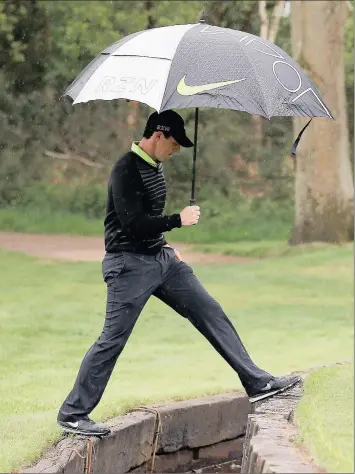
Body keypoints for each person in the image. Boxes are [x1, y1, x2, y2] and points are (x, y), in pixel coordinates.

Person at [57, 110, 300, 436]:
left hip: (161, 259)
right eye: (173, 143)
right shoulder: (126, 168)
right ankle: (73, 413)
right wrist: (177, 220)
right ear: (157, 135)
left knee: (209, 310)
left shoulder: (154, 166)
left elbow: (149, 219)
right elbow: (132, 224)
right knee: (113, 338)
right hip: (128, 265)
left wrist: (166, 243)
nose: (176, 150)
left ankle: (257, 381)